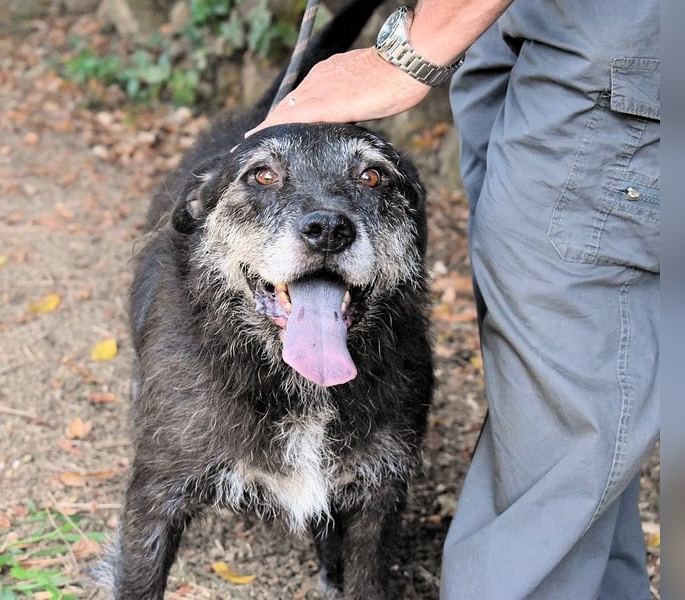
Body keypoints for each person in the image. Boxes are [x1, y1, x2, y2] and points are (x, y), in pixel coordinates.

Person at [249, 0, 660, 598]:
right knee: (566, 388)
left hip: (611, 45)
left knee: (567, 408)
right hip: (521, 29)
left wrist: (404, 58)